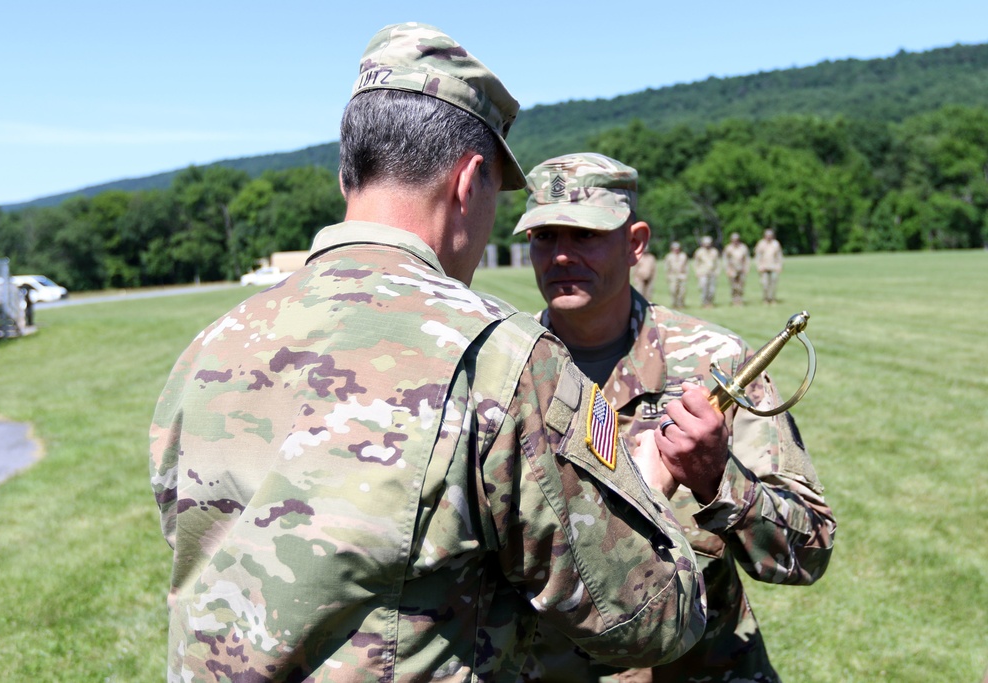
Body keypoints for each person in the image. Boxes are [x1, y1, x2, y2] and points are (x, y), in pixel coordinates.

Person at [149, 24, 706, 682]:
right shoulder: (502, 357)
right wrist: (643, 489)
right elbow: (646, 616)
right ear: (470, 182)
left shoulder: (211, 346)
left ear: (346, 173)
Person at [513, 153, 836, 683]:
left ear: (635, 242)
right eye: (544, 237)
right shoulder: (508, 368)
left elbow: (809, 549)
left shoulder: (715, 363)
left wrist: (716, 479)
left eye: (585, 235)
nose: (562, 256)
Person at [754, 228, 783, 305]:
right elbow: (758, 256)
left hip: (774, 267)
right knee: (765, 285)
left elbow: (779, 256)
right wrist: (759, 266)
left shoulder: (776, 244)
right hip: (764, 268)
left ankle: (772, 299)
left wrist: (779, 266)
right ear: (765, 236)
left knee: (773, 284)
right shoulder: (761, 244)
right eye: (767, 235)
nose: (769, 237)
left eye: (770, 235)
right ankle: (765, 299)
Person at [722, 232, 750, 306]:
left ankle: (740, 300)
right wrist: (727, 269)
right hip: (732, 270)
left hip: (741, 269)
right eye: (734, 240)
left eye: (736, 239)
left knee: (741, 286)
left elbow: (747, 259)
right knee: (733, 286)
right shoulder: (728, 248)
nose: (735, 241)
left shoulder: (743, 247)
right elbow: (725, 260)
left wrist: (746, 268)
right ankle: (734, 300)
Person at [692, 236, 720, 308]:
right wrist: (697, 272)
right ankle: (704, 302)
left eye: (709, 243)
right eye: (706, 243)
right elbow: (696, 263)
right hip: (703, 273)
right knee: (704, 289)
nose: (707, 245)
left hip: (712, 273)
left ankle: (710, 302)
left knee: (712, 289)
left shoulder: (714, 251)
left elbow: (717, 263)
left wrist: (717, 271)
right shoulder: (699, 252)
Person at [664, 240, 688, 308]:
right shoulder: (669, 256)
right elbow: (666, 267)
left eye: (677, 249)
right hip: (673, 275)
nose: (676, 250)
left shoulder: (683, 255)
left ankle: (681, 304)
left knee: (682, 291)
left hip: (682, 275)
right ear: (672, 249)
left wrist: (686, 275)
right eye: (675, 249)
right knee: (673, 291)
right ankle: (674, 304)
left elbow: (686, 266)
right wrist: (667, 276)